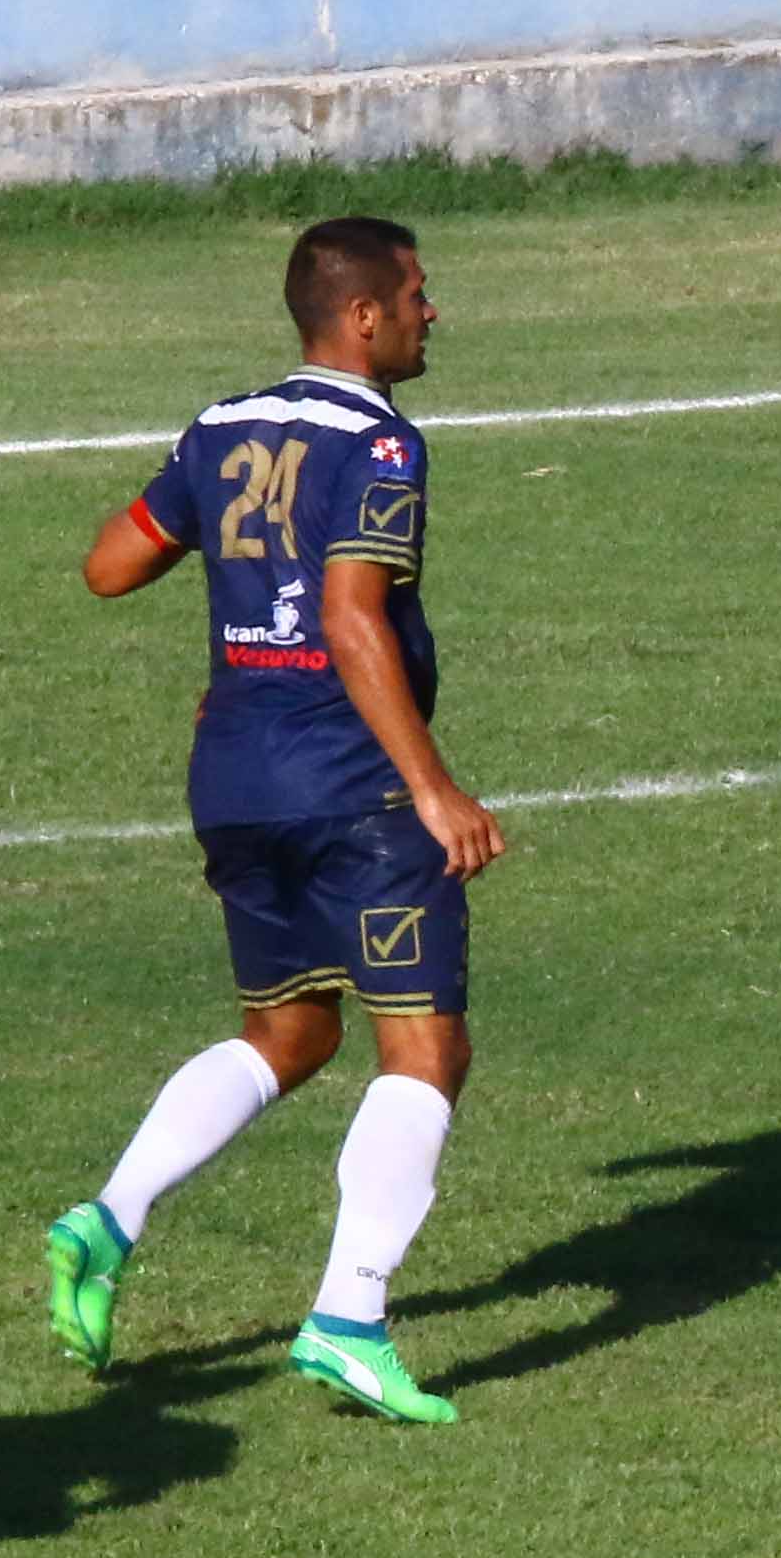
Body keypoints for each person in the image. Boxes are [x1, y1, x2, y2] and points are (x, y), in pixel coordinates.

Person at [43, 217, 508, 1424]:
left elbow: (107, 565)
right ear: (362, 317)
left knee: (293, 1035)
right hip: (348, 788)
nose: (429, 312)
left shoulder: (219, 427)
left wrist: (234, 580)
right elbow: (353, 620)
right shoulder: (383, 446)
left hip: (235, 778)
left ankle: (108, 1219)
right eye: (415, 294)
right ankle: (350, 1318)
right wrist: (432, 786)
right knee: (425, 1051)